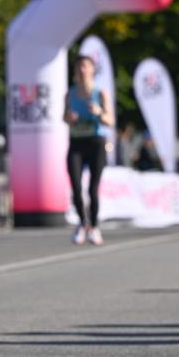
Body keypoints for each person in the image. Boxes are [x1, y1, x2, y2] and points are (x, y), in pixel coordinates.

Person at [64, 54, 114, 246]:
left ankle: (94, 226)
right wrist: (69, 118)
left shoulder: (100, 94)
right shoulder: (70, 94)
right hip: (76, 142)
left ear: (92, 70)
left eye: (85, 66)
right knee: (76, 187)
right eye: (78, 67)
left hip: (96, 143)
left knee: (93, 189)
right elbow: (64, 118)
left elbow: (110, 121)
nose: (81, 70)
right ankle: (82, 224)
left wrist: (99, 112)